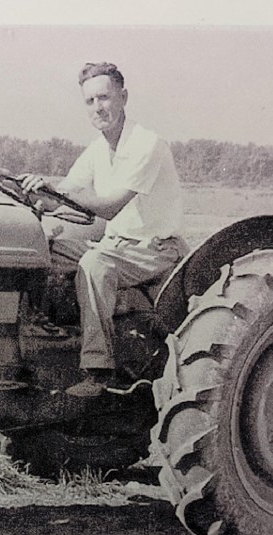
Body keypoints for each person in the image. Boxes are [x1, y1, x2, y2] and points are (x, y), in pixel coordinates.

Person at [21, 62, 187, 397]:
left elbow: (111, 205)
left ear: (123, 97)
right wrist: (36, 192)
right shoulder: (98, 150)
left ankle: (98, 371)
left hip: (153, 249)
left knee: (95, 266)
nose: (98, 107)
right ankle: (38, 344)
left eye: (104, 97)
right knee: (41, 251)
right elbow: (63, 195)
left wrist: (61, 194)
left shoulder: (147, 144)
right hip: (116, 245)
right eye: (90, 101)